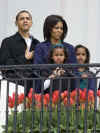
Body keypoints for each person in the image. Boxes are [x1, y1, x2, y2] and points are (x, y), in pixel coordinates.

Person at [0, 10, 40, 95]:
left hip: (34, 88)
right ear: (16, 23)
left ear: (31, 23)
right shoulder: (8, 42)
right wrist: (24, 58)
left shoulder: (37, 43)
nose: (25, 20)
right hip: (14, 86)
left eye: (28, 18)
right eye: (22, 18)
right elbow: (4, 65)